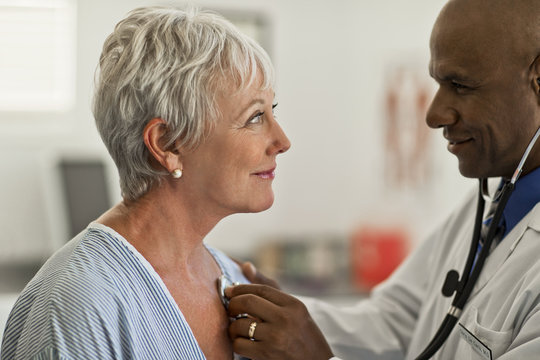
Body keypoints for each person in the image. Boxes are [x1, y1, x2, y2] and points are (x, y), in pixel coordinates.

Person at [225, 0, 540, 359]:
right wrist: (285, 318)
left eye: (460, 85)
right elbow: (392, 323)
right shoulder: (487, 205)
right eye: (439, 83)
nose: (434, 115)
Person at [1, 6, 290, 360]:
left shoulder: (236, 282)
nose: (282, 140)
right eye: (256, 116)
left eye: (272, 111)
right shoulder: (76, 305)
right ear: (168, 144)